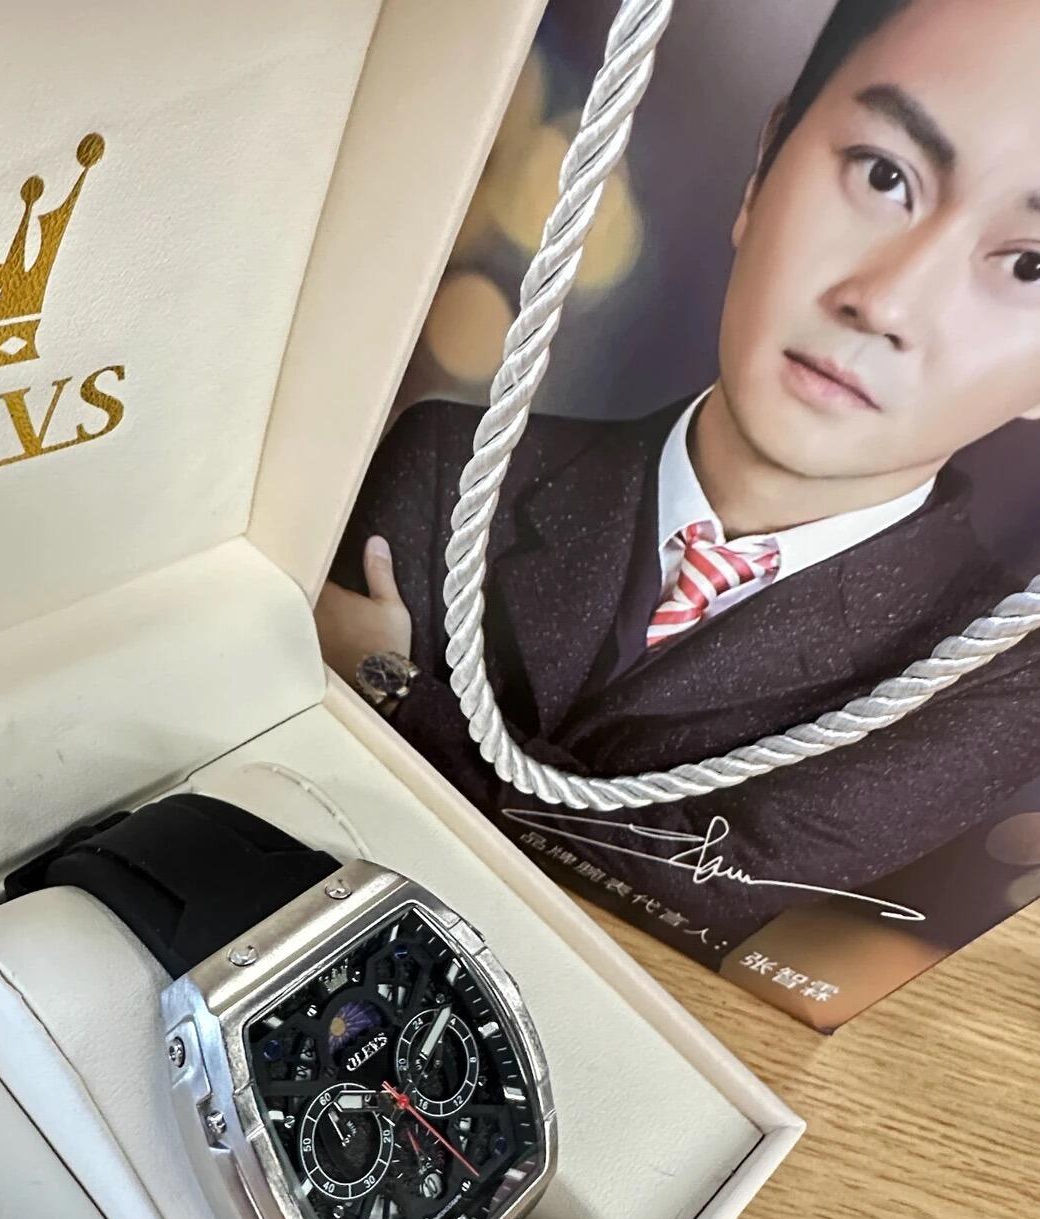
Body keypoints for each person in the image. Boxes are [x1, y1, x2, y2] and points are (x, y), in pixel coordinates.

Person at [316, 0, 1040, 951]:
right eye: (882, 174)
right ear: (762, 169)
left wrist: (394, 690)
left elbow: (713, 892)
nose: (886, 303)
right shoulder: (450, 463)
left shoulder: (1000, 680)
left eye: (1030, 266)